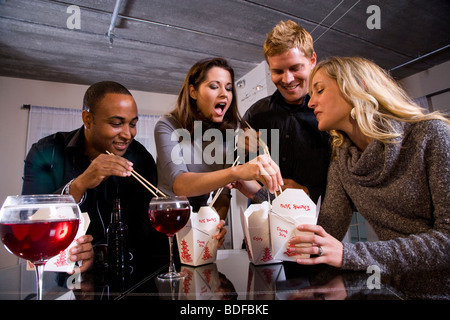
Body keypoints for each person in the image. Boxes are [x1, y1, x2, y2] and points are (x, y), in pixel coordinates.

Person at [288, 56, 450, 273]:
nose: (310, 103)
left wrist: (351, 254)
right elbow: (328, 230)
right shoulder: (344, 158)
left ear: (356, 87)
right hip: (392, 288)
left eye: (319, 90)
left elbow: (447, 239)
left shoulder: (432, 135)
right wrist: (260, 192)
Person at [22, 81, 167, 271]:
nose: (128, 134)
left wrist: (99, 254)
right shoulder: (46, 152)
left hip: (126, 273)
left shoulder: (140, 159)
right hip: (58, 275)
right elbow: (31, 225)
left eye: (132, 124)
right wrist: (79, 184)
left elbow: (143, 233)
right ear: (88, 119)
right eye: (116, 123)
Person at [155, 57, 283, 221]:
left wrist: (216, 223)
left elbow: (222, 195)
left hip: (201, 223)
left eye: (229, 88)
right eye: (214, 86)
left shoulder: (226, 135)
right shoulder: (167, 125)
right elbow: (180, 185)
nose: (224, 93)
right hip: (169, 219)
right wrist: (236, 172)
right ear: (193, 92)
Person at [240, 20, 331, 205]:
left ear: (312, 60)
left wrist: (308, 191)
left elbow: (348, 179)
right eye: (278, 71)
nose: (287, 79)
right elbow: (236, 170)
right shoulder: (256, 114)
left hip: (317, 216)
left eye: (295, 68)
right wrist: (241, 149)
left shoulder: (331, 112)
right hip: (263, 215)